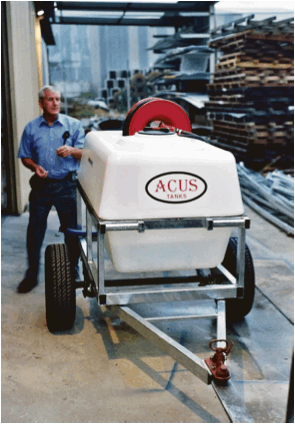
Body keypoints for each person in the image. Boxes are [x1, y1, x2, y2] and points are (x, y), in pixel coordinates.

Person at [17, 85, 85, 293]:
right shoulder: (31, 128)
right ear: (41, 103)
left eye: (57, 99)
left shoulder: (74, 125)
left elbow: (86, 153)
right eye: (50, 99)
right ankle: (31, 274)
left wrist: (72, 150)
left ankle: (73, 270)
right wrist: (34, 166)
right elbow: (25, 156)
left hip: (66, 184)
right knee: (34, 231)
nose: (55, 103)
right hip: (41, 187)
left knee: (71, 231)